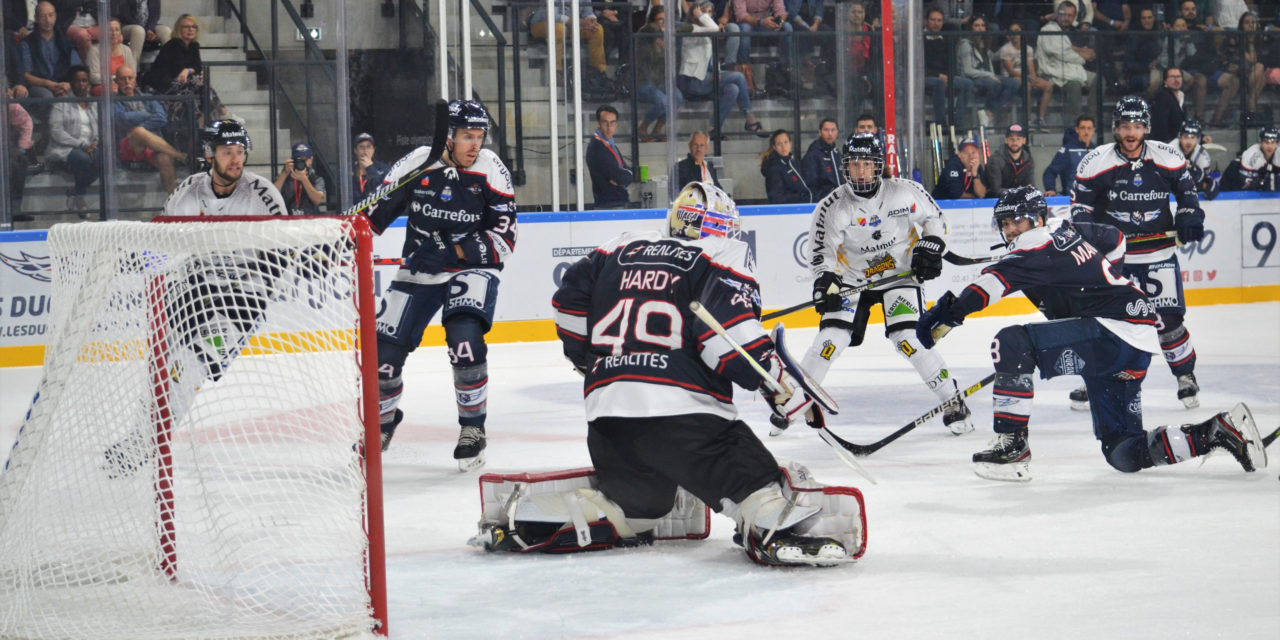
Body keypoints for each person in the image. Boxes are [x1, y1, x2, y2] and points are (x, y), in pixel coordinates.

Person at [490, 180, 864, 566]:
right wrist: (781, 387)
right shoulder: (721, 253)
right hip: (687, 417)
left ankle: (566, 514)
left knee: (643, 503)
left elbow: (568, 307)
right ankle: (771, 520)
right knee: (751, 476)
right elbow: (730, 341)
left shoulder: (617, 247)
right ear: (721, 226)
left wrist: (593, 361)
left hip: (607, 417)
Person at [916, 186, 1265, 481]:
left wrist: (944, 317)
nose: (1010, 230)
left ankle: (1012, 446)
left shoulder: (1034, 244)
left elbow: (986, 289)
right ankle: (1216, 433)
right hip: (1131, 340)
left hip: (1113, 333)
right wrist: (1099, 287)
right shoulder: (1066, 230)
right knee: (1123, 452)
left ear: (1037, 219)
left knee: (1011, 342)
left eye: (1016, 221)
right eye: (1005, 224)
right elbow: (1114, 239)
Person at [774, 132, 973, 435]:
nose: (861, 171)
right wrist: (824, 283)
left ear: (879, 165)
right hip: (852, 279)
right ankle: (794, 402)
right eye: (855, 165)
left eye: (867, 164)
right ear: (846, 168)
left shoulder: (904, 192)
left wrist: (931, 245)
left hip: (900, 276)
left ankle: (952, 398)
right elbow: (821, 254)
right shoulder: (832, 207)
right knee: (830, 340)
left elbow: (936, 218)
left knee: (908, 338)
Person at [365, 100, 517, 472]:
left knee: (465, 340)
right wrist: (340, 237)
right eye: (467, 136)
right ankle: (383, 422)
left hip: (471, 268)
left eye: (479, 137)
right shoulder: (419, 161)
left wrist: (455, 250)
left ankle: (473, 430)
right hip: (419, 269)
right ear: (447, 137)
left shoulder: (491, 168)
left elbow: (505, 239)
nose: (474, 146)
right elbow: (375, 214)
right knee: (383, 360)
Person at [1068, 96, 1206, 411]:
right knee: (1107, 321)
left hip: (1158, 254)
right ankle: (1097, 378)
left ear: (1146, 127)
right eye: (1125, 126)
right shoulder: (1096, 161)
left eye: (1137, 126)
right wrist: (1091, 236)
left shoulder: (1167, 156)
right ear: (1116, 128)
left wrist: (1189, 215)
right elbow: (1080, 209)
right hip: (1116, 259)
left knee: (1167, 321)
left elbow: (1187, 191)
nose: (1131, 132)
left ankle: (1185, 376)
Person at [678, 1, 769, 139]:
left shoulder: (707, 31)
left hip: (709, 80)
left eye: (709, 12)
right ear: (695, 13)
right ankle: (751, 120)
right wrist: (701, 17)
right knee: (738, 77)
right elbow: (714, 28)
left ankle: (713, 129)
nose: (707, 15)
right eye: (703, 12)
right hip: (694, 82)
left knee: (733, 89)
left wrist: (717, 72)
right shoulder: (690, 28)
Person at [164, 119, 287, 217]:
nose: (235, 160)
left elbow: (283, 243)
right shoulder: (186, 192)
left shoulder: (263, 192)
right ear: (208, 155)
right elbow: (165, 241)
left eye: (240, 152)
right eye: (227, 153)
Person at [113, 64, 186, 194]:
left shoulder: (148, 97)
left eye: (130, 78)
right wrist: (146, 116)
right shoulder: (114, 101)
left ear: (135, 80)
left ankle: (173, 201)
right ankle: (179, 155)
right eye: (123, 79)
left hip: (152, 146)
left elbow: (162, 118)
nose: (127, 82)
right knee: (137, 132)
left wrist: (139, 124)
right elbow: (121, 119)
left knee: (164, 159)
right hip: (128, 145)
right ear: (116, 81)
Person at [142, 14, 227, 124]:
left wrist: (188, 70)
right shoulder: (173, 45)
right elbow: (177, 70)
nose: (191, 29)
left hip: (183, 84)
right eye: (186, 27)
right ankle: (223, 111)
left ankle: (204, 122)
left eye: (193, 27)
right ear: (179, 29)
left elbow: (197, 66)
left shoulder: (194, 45)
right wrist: (189, 71)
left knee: (200, 87)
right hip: (163, 86)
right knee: (199, 82)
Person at [46, 65, 98, 216]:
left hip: (92, 146)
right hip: (67, 148)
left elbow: (103, 127)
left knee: (106, 157)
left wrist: (97, 142)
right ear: (71, 83)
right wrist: (81, 144)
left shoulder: (95, 103)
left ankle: (76, 191)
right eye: (77, 81)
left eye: (84, 81)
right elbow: (56, 131)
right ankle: (81, 199)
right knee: (82, 158)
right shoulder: (61, 103)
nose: (81, 84)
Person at [1036, 1, 1095, 126]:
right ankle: (1075, 125)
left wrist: (1076, 51)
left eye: (1069, 15)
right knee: (1074, 85)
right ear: (1057, 14)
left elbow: (1085, 51)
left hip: (1075, 69)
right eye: (1063, 14)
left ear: (1074, 17)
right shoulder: (1048, 30)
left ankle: (1091, 119)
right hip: (1055, 71)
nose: (1066, 18)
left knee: (1098, 80)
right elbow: (1062, 53)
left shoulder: (1075, 31)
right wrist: (1081, 56)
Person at [957, 16, 1018, 128]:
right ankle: (986, 117)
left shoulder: (983, 42)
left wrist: (1009, 45)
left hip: (987, 77)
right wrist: (990, 75)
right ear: (971, 27)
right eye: (977, 25)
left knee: (1013, 84)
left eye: (982, 25)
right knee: (995, 83)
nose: (980, 28)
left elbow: (994, 56)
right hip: (972, 79)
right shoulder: (965, 44)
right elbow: (968, 70)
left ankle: (989, 114)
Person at [528, 0, 607, 86]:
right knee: (559, 29)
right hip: (542, 24)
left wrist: (591, 20)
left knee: (597, 29)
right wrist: (578, 22)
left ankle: (598, 72)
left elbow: (587, 11)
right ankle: (556, 73)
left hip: (571, 26)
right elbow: (552, 15)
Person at [634, 5, 682, 143]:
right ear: (652, 20)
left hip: (659, 81)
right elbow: (646, 58)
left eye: (665, 20)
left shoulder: (667, 37)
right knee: (663, 101)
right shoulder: (645, 33)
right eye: (659, 20)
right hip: (643, 81)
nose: (662, 23)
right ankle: (643, 127)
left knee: (677, 97)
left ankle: (657, 130)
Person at [21, 1, 81, 107]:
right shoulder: (27, 43)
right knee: (47, 97)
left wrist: (69, 84)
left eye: (51, 15)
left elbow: (77, 69)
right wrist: (48, 84)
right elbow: (26, 76)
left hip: (63, 84)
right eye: (43, 16)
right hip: (39, 87)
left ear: (55, 17)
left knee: (73, 96)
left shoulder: (65, 40)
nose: (48, 20)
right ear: (36, 18)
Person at [997, 23, 1054, 132]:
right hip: (1010, 79)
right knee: (1027, 86)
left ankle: (1040, 119)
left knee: (1048, 86)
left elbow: (1031, 67)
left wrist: (1033, 78)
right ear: (1009, 35)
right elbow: (1011, 71)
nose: (1016, 34)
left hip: (1025, 77)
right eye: (1013, 32)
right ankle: (1026, 119)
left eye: (1017, 30)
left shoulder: (1028, 49)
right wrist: (1028, 79)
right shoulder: (1005, 49)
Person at [924, 6, 973, 127]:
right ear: (926, 21)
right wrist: (938, 75)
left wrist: (948, 76)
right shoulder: (920, 39)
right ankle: (941, 123)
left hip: (946, 76)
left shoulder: (947, 39)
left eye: (939, 20)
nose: (936, 23)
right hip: (927, 77)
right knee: (938, 83)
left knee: (967, 84)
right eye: (933, 20)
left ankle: (956, 122)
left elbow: (952, 63)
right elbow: (918, 66)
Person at [585, 105, 632, 208]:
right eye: (605, 122)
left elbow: (624, 171)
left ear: (616, 124)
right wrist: (627, 174)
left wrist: (627, 173)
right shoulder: (597, 147)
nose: (609, 127)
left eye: (612, 123)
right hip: (608, 204)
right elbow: (618, 176)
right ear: (598, 124)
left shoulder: (610, 144)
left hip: (616, 203)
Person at [1042, 114, 1095, 196]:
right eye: (1083, 128)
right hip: (1072, 201)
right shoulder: (1068, 150)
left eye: (1089, 128)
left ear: (1093, 130)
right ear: (1077, 130)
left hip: (1093, 201)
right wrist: (1051, 189)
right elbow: (1050, 172)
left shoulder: (1097, 151)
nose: (1086, 132)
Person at [274, 141, 326, 215]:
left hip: (310, 220)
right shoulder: (284, 176)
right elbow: (271, 195)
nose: (301, 163)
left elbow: (317, 200)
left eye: (304, 160)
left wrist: (304, 179)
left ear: (311, 160)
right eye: (299, 159)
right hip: (287, 220)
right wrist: (284, 173)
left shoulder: (316, 179)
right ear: (292, 160)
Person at [760, 129, 812, 203]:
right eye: (779, 144)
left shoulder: (793, 162)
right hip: (789, 211)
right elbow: (777, 198)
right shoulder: (774, 168)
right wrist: (802, 197)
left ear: (790, 143)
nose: (783, 146)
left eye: (786, 142)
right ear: (774, 147)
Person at [86, 18, 134, 96]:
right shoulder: (94, 50)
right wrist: (116, 79)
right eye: (110, 30)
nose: (114, 33)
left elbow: (133, 73)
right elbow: (93, 77)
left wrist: (122, 82)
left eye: (117, 30)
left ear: (120, 33)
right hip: (102, 86)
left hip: (124, 84)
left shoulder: (126, 50)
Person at [1224, 126, 1280, 192]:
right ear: (1261, 142)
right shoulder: (1252, 154)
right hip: (1234, 178)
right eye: (1266, 142)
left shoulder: (1278, 153)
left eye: (1273, 142)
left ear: (1277, 144)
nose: (1270, 146)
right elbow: (1246, 186)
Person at [985, 124, 1035, 197]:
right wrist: (1018, 193)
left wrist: (1029, 189)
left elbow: (1030, 186)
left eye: (1018, 139)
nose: (1015, 142)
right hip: (994, 202)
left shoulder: (1028, 160)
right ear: (1006, 140)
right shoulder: (996, 160)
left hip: (1014, 199)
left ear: (1024, 140)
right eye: (1011, 139)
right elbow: (996, 190)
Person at [1173, 119, 1218, 198]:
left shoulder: (1203, 155)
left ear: (1198, 139)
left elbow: (1207, 184)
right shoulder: (1169, 149)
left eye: (1193, 137)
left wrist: (1207, 184)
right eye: (1186, 137)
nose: (1189, 142)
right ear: (1179, 137)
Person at [802, 118, 842, 199]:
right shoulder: (813, 155)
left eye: (833, 130)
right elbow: (811, 185)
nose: (830, 134)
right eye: (826, 130)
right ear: (820, 132)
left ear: (837, 132)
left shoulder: (836, 153)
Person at [1148, 67, 1188, 143]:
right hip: (1166, 145)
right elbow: (1160, 127)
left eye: (1178, 77)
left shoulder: (1180, 95)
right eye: (1172, 77)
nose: (1176, 80)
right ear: (1165, 81)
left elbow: (1184, 124)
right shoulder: (1163, 97)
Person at [352, 132, 390, 200]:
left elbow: (385, 194)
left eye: (368, 147)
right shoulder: (349, 170)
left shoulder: (384, 169)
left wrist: (371, 168)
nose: (365, 151)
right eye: (361, 147)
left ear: (373, 150)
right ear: (355, 150)